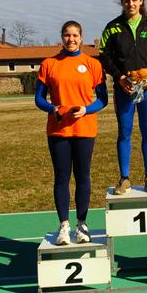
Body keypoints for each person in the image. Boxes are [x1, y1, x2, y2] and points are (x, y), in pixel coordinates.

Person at [35, 21, 108, 245]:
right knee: (62, 177)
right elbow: (38, 98)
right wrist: (53, 109)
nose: (71, 39)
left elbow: (103, 99)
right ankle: (64, 226)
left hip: (85, 129)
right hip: (58, 131)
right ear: (62, 37)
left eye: (75, 35)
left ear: (81, 37)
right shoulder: (49, 64)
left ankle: (82, 225)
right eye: (67, 35)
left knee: (83, 176)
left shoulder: (93, 64)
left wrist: (86, 110)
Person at [99, 0, 147, 195]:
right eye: (126, 0)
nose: (131, 4)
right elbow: (104, 57)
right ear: (121, 2)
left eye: (134, 0)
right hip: (124, 89)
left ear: (141, 1)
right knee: (124, 132)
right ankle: (124, 178)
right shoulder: (112, 27)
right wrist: (119, 77)